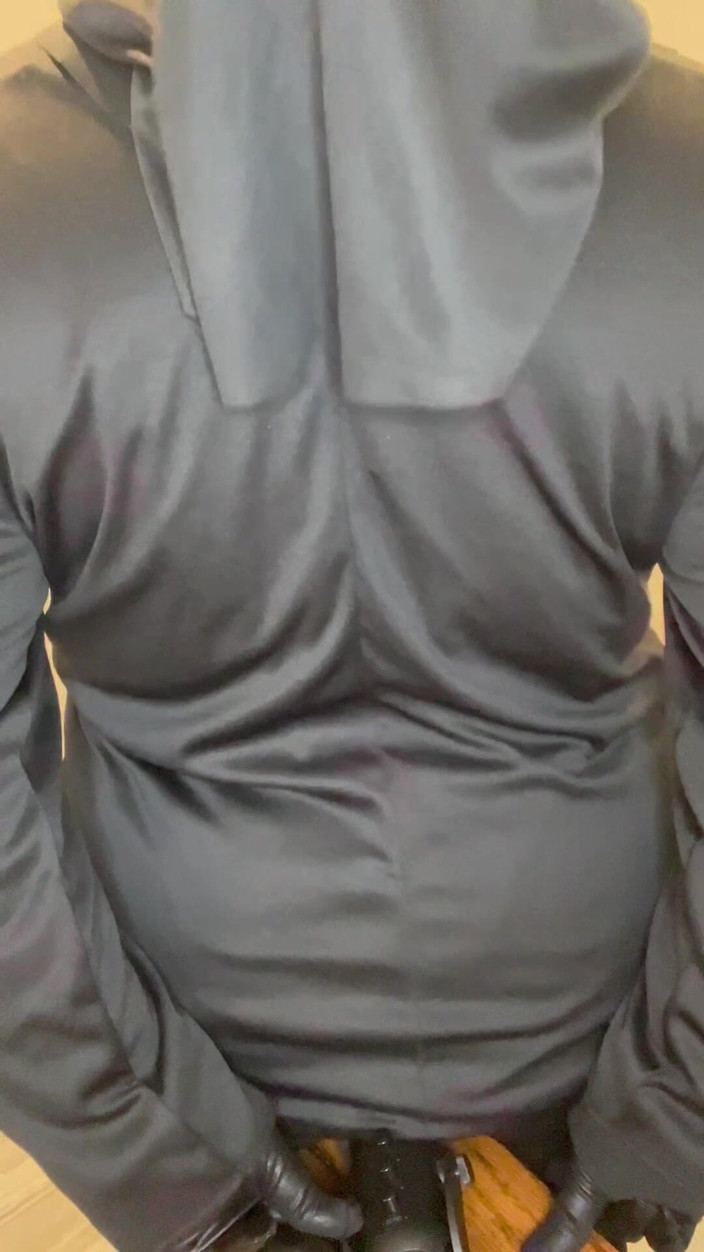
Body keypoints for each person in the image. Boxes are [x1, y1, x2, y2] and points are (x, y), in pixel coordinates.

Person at [1, 2, 703, 1249]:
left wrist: (165, 1168)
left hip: (193, 1048)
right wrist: (671, 1116)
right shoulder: (678, 156)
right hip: (597, 1035)